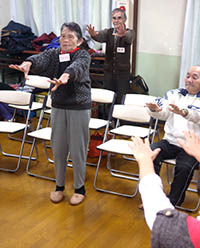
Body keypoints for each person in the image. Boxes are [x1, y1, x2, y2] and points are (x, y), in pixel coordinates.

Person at [9, 22, 92, 206]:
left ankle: (80, 188)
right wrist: (28, 63)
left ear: (78, 40)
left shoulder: (83, 55)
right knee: (59, 147)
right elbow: (41, 59)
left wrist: (66, 76)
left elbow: (77, 67)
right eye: (63, 36)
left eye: (70, 36)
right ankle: (59, 186)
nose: (66, 39)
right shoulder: (55, 54)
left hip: (79, 107)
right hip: (58, 106)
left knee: (77, 150)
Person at [145, 65, 200, 206]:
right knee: (150, 153)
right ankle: (153, 198)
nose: (189, 80)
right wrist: (155, 110)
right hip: (171, 141)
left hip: (194, 146)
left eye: (194, 77)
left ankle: (172, 203)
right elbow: (163, 111)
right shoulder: (174, 94)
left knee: (183, 167)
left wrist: (184, 112)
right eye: (187, 76)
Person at [87, 8, 135, 104]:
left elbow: (129, 38)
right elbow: (98, 36)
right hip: (109, 72)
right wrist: (93, 35)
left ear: (124, 20)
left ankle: (121, 119)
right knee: (108, 97)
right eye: (114, 18)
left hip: (123, 74)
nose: (116, 20)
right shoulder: (108, 32)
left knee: (122, 99)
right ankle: (109, 118)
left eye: (119, 18)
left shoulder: (130, 32)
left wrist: (123, 34)